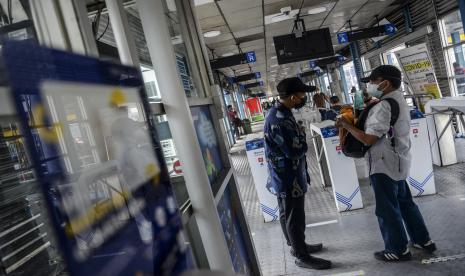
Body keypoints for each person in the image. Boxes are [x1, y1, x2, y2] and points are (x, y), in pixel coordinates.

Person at [336, 65, 436, 262]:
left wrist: (346, 125)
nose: (371, 86)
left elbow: (369, 140)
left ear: (385, 83)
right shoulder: (398, 99)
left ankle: (397, 249)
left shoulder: (384, 105)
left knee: (387, 209)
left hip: (383, 165)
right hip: (398, 160)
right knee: (406, 204)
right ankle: (422, 240)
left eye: (373, 81)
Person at [264, 77, 332, 270]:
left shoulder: (280, 112)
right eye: (303, 95)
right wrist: (302, 135)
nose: (304, 98)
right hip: (288, 177)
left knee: (287, 213)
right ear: (293, 97)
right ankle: (302, 256)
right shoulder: (280, 120)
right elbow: (294, 151)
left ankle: (296, 247)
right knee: (295, 216)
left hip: (284, 175)